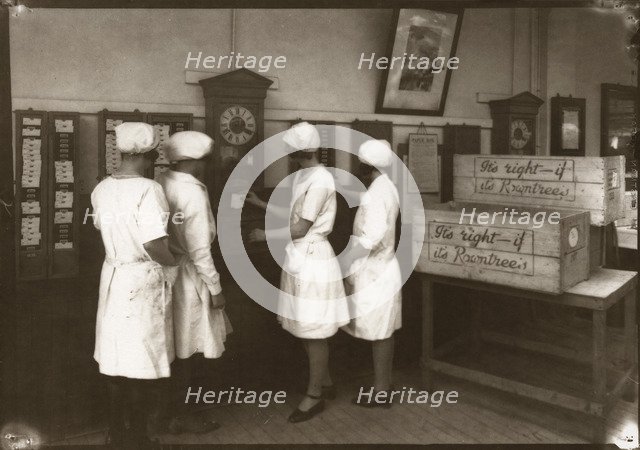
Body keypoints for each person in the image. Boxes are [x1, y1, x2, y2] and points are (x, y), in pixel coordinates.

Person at [247, 122, 348, 423]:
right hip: (300, 258)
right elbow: (295, 214)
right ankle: (325, 382)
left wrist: (263, 236)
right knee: (306, 327)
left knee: (314, 331)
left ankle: (314, 396)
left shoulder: (320, 180)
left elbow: (303, 227)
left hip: (313, 259)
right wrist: (259, 203)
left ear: (295, 152)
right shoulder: (304, 176)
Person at [91, 122, 178, 448]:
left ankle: (116, 432)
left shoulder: (102, 188)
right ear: (151, 155)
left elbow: (104, 228)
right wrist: (174, 262)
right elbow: (155, 244)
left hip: (113, 276)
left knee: (115, 358)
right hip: (141, 280)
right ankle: (139, 437)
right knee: (140, 361)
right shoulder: (149, 190)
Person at [157, 131, 231, 433]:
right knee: (191, 353)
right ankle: (185, 416)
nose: (206, 166)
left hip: (166, 274)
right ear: (192, 162)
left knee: (172, 349)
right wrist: (216, 288)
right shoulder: (194, 193)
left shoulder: (162, 182)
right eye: (204, 161)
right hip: (190, 278)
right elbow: (200, 250)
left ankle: (168, 414)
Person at [342, 139, 401, 408]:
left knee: (380, 331)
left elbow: (372, 237)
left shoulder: (376, 193)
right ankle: (383, 385)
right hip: (382, 267)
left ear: (366, 168)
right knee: (383, 330)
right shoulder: (387, 186)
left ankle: (381, 392)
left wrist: (344, 265)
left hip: (375, 270)